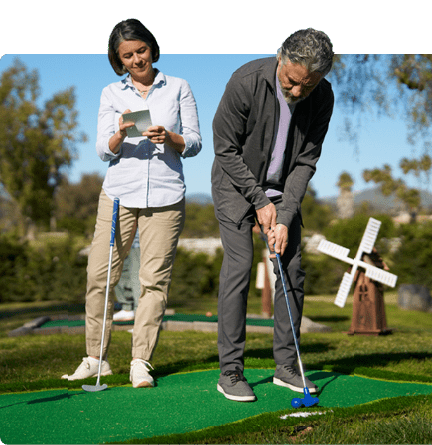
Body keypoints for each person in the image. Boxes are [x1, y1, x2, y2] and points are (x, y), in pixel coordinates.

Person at [62, 18, 202, 388]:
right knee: (99, 275)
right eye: (127, 55)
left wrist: (169, 136)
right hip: (119, 195)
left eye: (141, 50)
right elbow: (101, 150)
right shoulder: (111, 93)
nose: (136, 59)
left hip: (166, 196)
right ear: (118, 60)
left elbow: (195, 143)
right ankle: (96, 358)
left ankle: (141, 361)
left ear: (152, 49)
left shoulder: (179, 88)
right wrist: (119, 133)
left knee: (153, 282)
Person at [211, 28, 334, 402]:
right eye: (292, 81)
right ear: (280, 59)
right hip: (235, 185)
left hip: (283, 191)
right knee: (239, 267)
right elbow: (224, 148)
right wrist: (259, 201)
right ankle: (230, 371)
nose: (297, 92)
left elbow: (305, 161)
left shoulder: (323, 96)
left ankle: (286, 367)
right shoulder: (245, 81)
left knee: (291, 269)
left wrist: (283, 214)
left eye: (307, 86)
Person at [113, 229, 140, 322]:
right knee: (121, 272)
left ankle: (139, 317)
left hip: (140, 242)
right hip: (128, 240)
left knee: (137, 278)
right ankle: (127, 308)